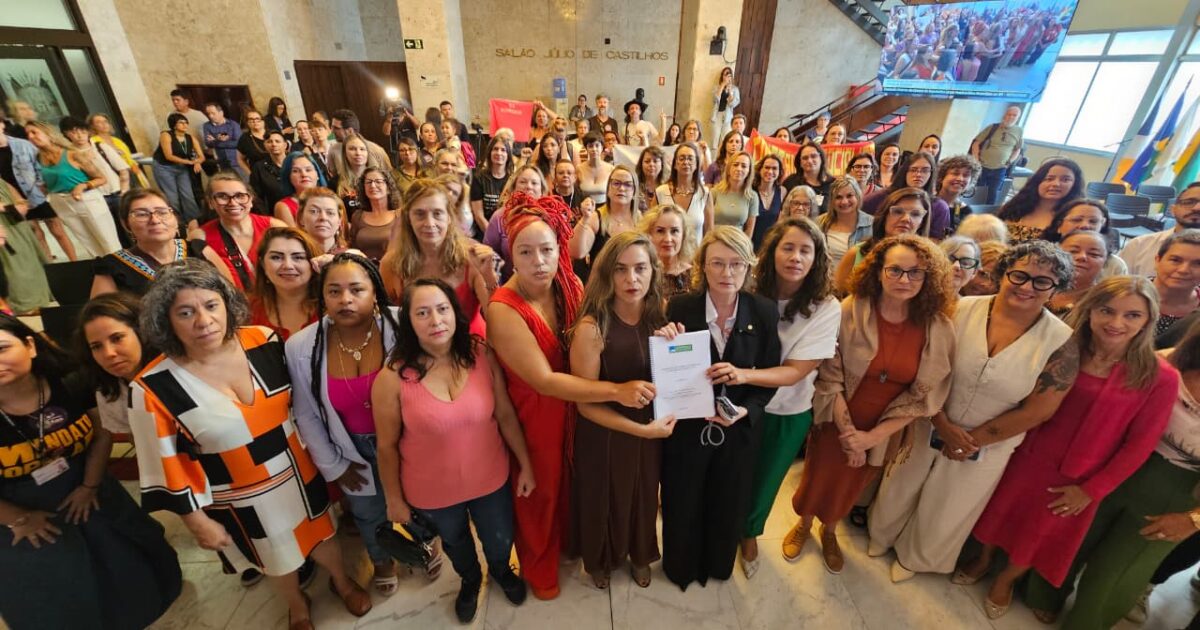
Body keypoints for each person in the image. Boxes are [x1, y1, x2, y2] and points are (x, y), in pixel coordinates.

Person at [129, 259, 371, 627]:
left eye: (211, 305)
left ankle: (341, 581)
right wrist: (196, 522)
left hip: (299, 473)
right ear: (166, 320)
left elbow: (307, 405)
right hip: (240, 495)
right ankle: (297, 605)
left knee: (324, 536)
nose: (204, 320)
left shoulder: (263, 340)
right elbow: (161, 464)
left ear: (226, 303)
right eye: (185, 312)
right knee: (273, 554)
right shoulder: (152, 387)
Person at [971, 276, 1179, 621]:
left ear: (1148, 320)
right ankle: (982, 559)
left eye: (1132, 315)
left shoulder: (1159, 377)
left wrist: (1091, 490)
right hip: (1026, 455)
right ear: (1090, 310)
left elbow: (1139, 446)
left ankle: (1005, 581)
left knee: (1038, 536)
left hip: (1079, 476)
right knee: (998, 513)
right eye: (1107, 310)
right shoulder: (1065, 347)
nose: (1116, 323)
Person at [867, 241, 1075, 583]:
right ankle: (881, 535)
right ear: (1001, 274)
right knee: (901, 483)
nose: (1027, 287)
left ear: (1056, 289)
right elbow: (925, 362)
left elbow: (1040, 409)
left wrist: (971, 440)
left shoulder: (1062, 341)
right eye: (1019, 275)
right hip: (928, 417)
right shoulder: (960, 309)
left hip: (990, 442)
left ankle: (917, 558)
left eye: (1042, 282)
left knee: (950, 504)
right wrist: (941, 422)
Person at [486, 193, 654, 599]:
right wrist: (617, 390)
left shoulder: (569, 283)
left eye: (547, 249)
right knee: (540, 493)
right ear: (510, 251)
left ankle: (569, 546)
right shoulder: (503, 308)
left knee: (572, 486)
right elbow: (543, 381)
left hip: (580, 405)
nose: (539, 261)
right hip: (539, 413)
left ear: (560, 247)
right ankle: (539, 566)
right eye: (526, 252)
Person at [785, 233, 955, 573]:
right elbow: (829, 374)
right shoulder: (850, 311)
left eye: (915, 272)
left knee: (854, 483)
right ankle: (803, 523)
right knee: (819, 475)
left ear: (928, 277)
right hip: (837, 414)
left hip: (888, 425)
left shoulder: (938, 327)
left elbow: (925, 397)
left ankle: (830, 530)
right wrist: (851, 436)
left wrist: (872, 438)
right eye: (895, 270)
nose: (904, 280)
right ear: (878, 271)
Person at [0, 314, 182, 629]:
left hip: (86, 482)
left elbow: (100, 434)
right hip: (17, 508)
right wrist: (17, 518)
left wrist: (89, 485)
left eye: (2, 348)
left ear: (30, 346)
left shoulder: (70, 380)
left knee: (129, 564)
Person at [374, 279, 532, 622]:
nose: (435, 320)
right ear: (409, 322)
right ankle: (470, 580)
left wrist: (526, 465)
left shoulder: (481, 353)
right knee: (457, 543)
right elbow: (385, 447)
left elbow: (504, 413)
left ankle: (502, 571)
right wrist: (394, 499)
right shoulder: (391, 378)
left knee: (499, 536)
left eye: (442, 309)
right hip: (432, 491)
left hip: (490, 478)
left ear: (455, 313)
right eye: (422, 312)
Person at [653, 226, 780, 590]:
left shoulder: (765, 311)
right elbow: (665, 369)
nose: (727, 273)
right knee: (682, 499)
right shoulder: (680, 307)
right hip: (687, 432)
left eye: (736, 264)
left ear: (749, 267)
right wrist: (664, 341)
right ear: (702, 267)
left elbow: (769, 376)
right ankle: (681, 568)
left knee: (728, 501)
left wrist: (746, 412)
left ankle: (718, 565)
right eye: (718, 264)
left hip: (738, 430)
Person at [1066, 319, 1200, 629]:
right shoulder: (1167, 361)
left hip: (1179, 493)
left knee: (1118, 573)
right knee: (1072, 541)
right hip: (1117, 465)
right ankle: (1040, 599)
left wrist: (1193, 520)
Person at [286, 252, 403, 597]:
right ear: (322, 297)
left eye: (356, 289)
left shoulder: (400, 324)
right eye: (334, 291)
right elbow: (306, 412)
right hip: (350, 445)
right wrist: (334, 465)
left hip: (402, 441)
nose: (345, 300)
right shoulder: (303, 345)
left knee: (421, 502)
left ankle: (427, 547)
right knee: (368, 513)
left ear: (375, 291)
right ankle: (382, 561)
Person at [570, 231, 674, 589]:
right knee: (605, 497)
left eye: (640, 268)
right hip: (606, 433)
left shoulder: (659, 316)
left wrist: (676, 346)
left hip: (651, 429)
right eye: (621, 270)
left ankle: (640, 553)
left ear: (653, 271)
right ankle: (601, 560)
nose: (632, 279)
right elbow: (584, 405)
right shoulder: (591, 327)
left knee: (644, 494)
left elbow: (667, 377)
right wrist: (641, 430)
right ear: (606, 275)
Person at [738, 218, 841, 578]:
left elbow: (797, 370)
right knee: (731, 471)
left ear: (817, 259)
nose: (795, 257)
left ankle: (750, 533)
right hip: (738, 405)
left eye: (805, 250)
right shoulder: (748, 288)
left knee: (766, 478)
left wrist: (743, 375)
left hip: (788, 409)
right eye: (788, 247)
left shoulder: (826, 306)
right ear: (772, 252)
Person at [381, 179, 498, 334]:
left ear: (449, 217)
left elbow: (496, 319)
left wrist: (489, 277)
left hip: (472, 345)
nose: (429, 223)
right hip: (419, 349)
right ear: (408, 218)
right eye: (420, 214)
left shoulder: (472, 257)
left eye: (437, 214)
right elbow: (389, 321)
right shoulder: (392, 264)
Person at [91, 188, 229, 296]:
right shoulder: (113, 267)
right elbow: (103, 319)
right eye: (141, 214)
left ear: (175, 219)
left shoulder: (199, 250)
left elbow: (232, 295)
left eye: (162, 212)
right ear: (126, 224)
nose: (155, 220)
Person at [25, 121, 122, 258]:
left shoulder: (72, 154)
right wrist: (29, 201)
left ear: (49, 134)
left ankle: (126, 274)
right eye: (28, 134)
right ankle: (107, 276)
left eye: (34, 132)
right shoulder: (38, 160)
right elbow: (45, 186)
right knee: (90, 246)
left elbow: (101, 178)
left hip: (86, 199)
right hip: (61, 203)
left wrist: (83, 185)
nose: (30, 136)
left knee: (108, 243)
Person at [833, 187, 933, 293]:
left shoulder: (927, 261)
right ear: (885, 215)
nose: (906, 219)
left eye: (915, 214)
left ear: (922, 222)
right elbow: (837, 297)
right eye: (898, 211)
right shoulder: (856, 253)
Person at [200, 172, 288, 291]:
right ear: (210, 202)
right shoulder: (202, 237)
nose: (233, 203)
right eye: (223, 197)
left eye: (240, 196)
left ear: (251, 199)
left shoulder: (274, 227)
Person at [60, 116, 129, 243]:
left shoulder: (100, 147)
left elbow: (123, 170)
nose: (79, 136)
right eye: (74, 132)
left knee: (128, 229)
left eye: (82, 131)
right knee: (111, 235)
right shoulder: (68, 154)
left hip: (116, 193)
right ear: (67, 134)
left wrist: (123, 192)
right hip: (95, 198)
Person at [570, 165, 641, 283]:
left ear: (634, 191)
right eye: (616, 183)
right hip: (603, 287)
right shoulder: (596, 218)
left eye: (628, 184)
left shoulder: (642, 220)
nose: (622, 188)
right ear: (608, 189)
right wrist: (585, 219)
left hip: (633, 285)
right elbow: (576, 252)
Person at [248, 227, 320, 339]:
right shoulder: (248, 311)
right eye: (276, 257)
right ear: (262, 264)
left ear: (313, 262)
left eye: (298, 257)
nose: (288, 265)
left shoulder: (332, 306)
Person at [996, 157, 1084, 244]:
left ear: (1074, 185)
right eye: (1049, 179)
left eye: (1065, 180)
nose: (1056, 184)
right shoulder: (1014, 207)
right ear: (1037, 182)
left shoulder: (1075, 218)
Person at [1119, 182, 1200, 276]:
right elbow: (1116, 287)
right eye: (1189, 202)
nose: (1197, 208)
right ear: (1173, 210)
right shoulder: (1139, 246)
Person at [862, 151, 947, 237]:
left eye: (925, 171)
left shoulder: (939, 206)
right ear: (905, 171)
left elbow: (935, 241)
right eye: (913, 170)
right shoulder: (883, 196)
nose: (918, 174)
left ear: (931, 173)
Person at [0, 178, 51, 313]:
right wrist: (7, 207)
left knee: (31, 262)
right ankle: (26, 304)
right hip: (4, 229)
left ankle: (39, 299)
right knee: (14, 267)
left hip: (17, 225)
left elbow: (19, 199)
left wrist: (21, 205)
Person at [655, 142, 713, 251]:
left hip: (695, 259)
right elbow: (652, 228)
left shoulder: (704, 194)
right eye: (682, 158)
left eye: (690, 158)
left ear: (696, 164)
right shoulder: (660, 192)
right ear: (675, 164)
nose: (686, 162)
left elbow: (709, 232)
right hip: (666, 257)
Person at [151, 113, 204, 227]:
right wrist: (191, 162)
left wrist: (198, 161)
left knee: (187, 194)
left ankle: (194, 220)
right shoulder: (166, 135)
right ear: (174, 125)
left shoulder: (190, 138)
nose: (185, 125)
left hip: (181, 167)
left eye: (186, 122)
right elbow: (168, 156)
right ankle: (177, 222)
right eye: (181, 122)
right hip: (164, 167)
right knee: (172, 196)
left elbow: (201, 156)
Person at [1048, 230, 1110, 318]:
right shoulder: (1035, 286)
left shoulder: (1105, 302)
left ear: (1105, 262)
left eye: (1093, 254)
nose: (1082, 257)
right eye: (1073, 251)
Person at [970, 105, 1025, 204]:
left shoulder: (1019, 131)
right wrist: (976, 160)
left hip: (1000, 168)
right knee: (978, 193)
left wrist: (1009, 162)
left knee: (993, 193)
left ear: (1018, 118)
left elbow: (1017, 149)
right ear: (1004, 115)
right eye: (1009, 114)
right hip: (983, 166)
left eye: (1014, 115)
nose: (1011, 117)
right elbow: (976, 143)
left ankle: (988, 215)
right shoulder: (993, 127)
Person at [1151, 230, 1200, 337]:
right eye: (1175, 260)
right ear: (1157, 260)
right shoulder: (1125, 296)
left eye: (1198, 263)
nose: (1184, 270)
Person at [640, 203, 694, 298]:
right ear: (649, 234)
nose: (668, 239)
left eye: (674, 231)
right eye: (660, 231)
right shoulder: (642, 275)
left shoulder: (696, 275)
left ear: (684, 235)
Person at [818, 176, 873, 268]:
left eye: (849, 196)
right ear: (832, 201)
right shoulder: (819, 223)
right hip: (824, 281)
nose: (844, 202)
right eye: (838, 197)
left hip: (857, 281)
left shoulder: (873, 224)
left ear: (858, 196)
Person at [327, 109, 392, 181]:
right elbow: (334, 177)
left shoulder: (376, 150)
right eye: (332, 127)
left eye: (336, 128)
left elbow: (389, 176)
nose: (332, 131)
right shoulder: (333, 150)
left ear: (350, 131)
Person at [350, 167, 399, 261]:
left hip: (393, 270)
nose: (372, 185)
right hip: (364, 271)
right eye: (368, 182)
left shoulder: (401, 215)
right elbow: (353, 249)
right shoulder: (357, 216)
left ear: (388, 187)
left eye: (378, 181)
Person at [88, 113, 148, 187]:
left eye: (105, 121)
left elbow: (127, 156)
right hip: (114, 175)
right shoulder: (93, 141)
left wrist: (134, 166)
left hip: (131, 172)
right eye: (99, 122)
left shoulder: (117, 140)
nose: (104, 124)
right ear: (92, 126)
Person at [470, 135, 514, 231]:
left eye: (503, 150)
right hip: (484, 230)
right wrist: (492, 235)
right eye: (495, 149)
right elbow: (478, 215)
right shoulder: (479, 178)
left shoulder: (513, 179)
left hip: (507, 231)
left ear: (508, 155)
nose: (499, 153)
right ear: (490, 152)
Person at [710, 151, 757, 238]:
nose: (739, 169)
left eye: (744, 166)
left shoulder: (752, 197)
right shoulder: (714, 192)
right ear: (728, 169)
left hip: (737, 245)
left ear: (749, 171)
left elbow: (749, 230)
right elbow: (707, 224)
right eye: (735, 164)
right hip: (714, 241)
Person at [274, 151, 327, 225]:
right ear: (288, 177)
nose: (304, 174)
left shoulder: (331, 199)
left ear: (317, 174)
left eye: (308, 170)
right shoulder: (283, 207)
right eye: (296, 171)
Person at [333, 135, 379, 216]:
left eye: (362, 149)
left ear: (367, 152)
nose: (358, 153)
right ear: (345, 153)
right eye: (352, 149)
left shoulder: (380, 178)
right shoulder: (335, 182)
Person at [936, 154, 982, 236]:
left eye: (966, 175)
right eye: (955, 173)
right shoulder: (926, 203)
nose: (960, 179)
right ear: (941, 177)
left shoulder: (966, 212)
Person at [782, 142, 834, 211]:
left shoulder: (833, 184)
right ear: (800, 163)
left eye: (813, 156)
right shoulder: (791, 181)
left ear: (821, 158)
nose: (809, 160)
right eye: (805, 158)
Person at [296, 188, 349, 255]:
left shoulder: (351, 258)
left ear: (339, 221)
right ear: (301, 218)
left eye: (330, 213)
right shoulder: (293, 257)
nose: (323, 217)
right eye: (314, 211)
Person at [248, 129, 290, 211]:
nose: (273, 144)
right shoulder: (259, 167)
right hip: (274, 212)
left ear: (285, 145)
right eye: (269, 141)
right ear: (265, 145)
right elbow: (256, 196)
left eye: (277, 141)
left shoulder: (296, 162)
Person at [752, 155, 785, 248]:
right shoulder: (750, 191)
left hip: (771, 246)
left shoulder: (782, 191)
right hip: (750, 244)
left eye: (774, 168)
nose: (770, 171)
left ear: (779, 172)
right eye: (767, 167)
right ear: (760, 169)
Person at [201, 102, 242, 175]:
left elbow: (239, 143)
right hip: (221, 162)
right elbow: (208, 143)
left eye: (213, 113)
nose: (210, 116)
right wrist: (218, 139)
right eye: (208, 114)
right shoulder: (207, 126)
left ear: (221, 113)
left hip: (237, 160)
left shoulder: (233, 124)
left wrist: (216, 141)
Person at [578, 132, 615, 205]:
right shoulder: (579, 169)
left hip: (606, 209)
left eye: (597, 145)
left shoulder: (611, 169)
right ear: (586, 148)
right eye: (590, 146)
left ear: (602, 147)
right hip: (585, 209)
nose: (594, 149)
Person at [711, 67, 741, 144]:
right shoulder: (716, 87)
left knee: (726, 139)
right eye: (725, 74)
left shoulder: (735, 89)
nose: (727, 77)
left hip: (728, 116)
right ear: (722, 76)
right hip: (717, 115)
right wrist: (722, 85)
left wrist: (730, 91)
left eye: (729, 75)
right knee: (714, 139)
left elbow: (733, 104)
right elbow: (715, 100)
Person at [635, 146, 668, 212]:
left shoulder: (668, 187)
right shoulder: (634, 186)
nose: (651, 164)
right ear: (641, 164)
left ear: (662, 165)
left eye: (655, 161)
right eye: (647, 161)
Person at [236, 108, 268, 175]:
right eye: (251, 119)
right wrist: (251, 174)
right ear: (247, 122)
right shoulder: (244, 139)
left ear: (263, 121)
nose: (255, 121)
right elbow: (240, 159)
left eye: (257, 119)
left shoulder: (272, 133)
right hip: (259, 174)